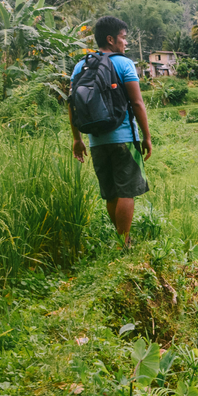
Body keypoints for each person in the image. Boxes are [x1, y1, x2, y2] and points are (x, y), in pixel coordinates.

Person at [69, 16, 153, 247]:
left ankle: (121, 239)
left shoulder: (80, 66)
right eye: (123, 38)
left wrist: (77, 139)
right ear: (110, 39)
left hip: (96, 140)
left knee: (111, 193)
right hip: (124, 137)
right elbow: (137, 103)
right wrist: (146, 136)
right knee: (127, 191)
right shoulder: (123, 64)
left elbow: (72, 103)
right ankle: (124, 243)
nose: (125, 43)